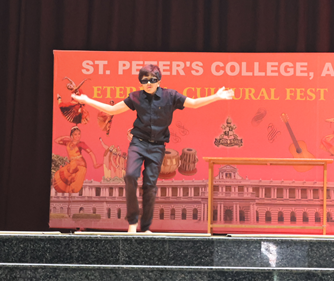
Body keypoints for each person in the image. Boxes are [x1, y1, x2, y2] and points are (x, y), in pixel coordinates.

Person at [72, 64, 234, 233]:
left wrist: (216, 96)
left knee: (149, 185)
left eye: (152, 80)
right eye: (144, 80)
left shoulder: (170, 95)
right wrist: (87, 100)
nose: (148, 83)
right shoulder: (136, 97)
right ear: (140, 82)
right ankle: (132, 223)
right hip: (138, 143)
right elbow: (112, 109)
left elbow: (193, 103)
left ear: (159, 81)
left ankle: (145, 227)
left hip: (157, 146)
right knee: (130, 176)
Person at [52, 126, 102, 194]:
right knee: (62, 178)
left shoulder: (81, 143)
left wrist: (95, 163)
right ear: (71, 135)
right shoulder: (68, 143)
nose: (78, 136)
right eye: (75, 134)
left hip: (80, 165)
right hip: (72, 164)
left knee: (73, 185)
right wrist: (65, 136)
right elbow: (56, 141)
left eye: (79, 134)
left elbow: (90, 153)